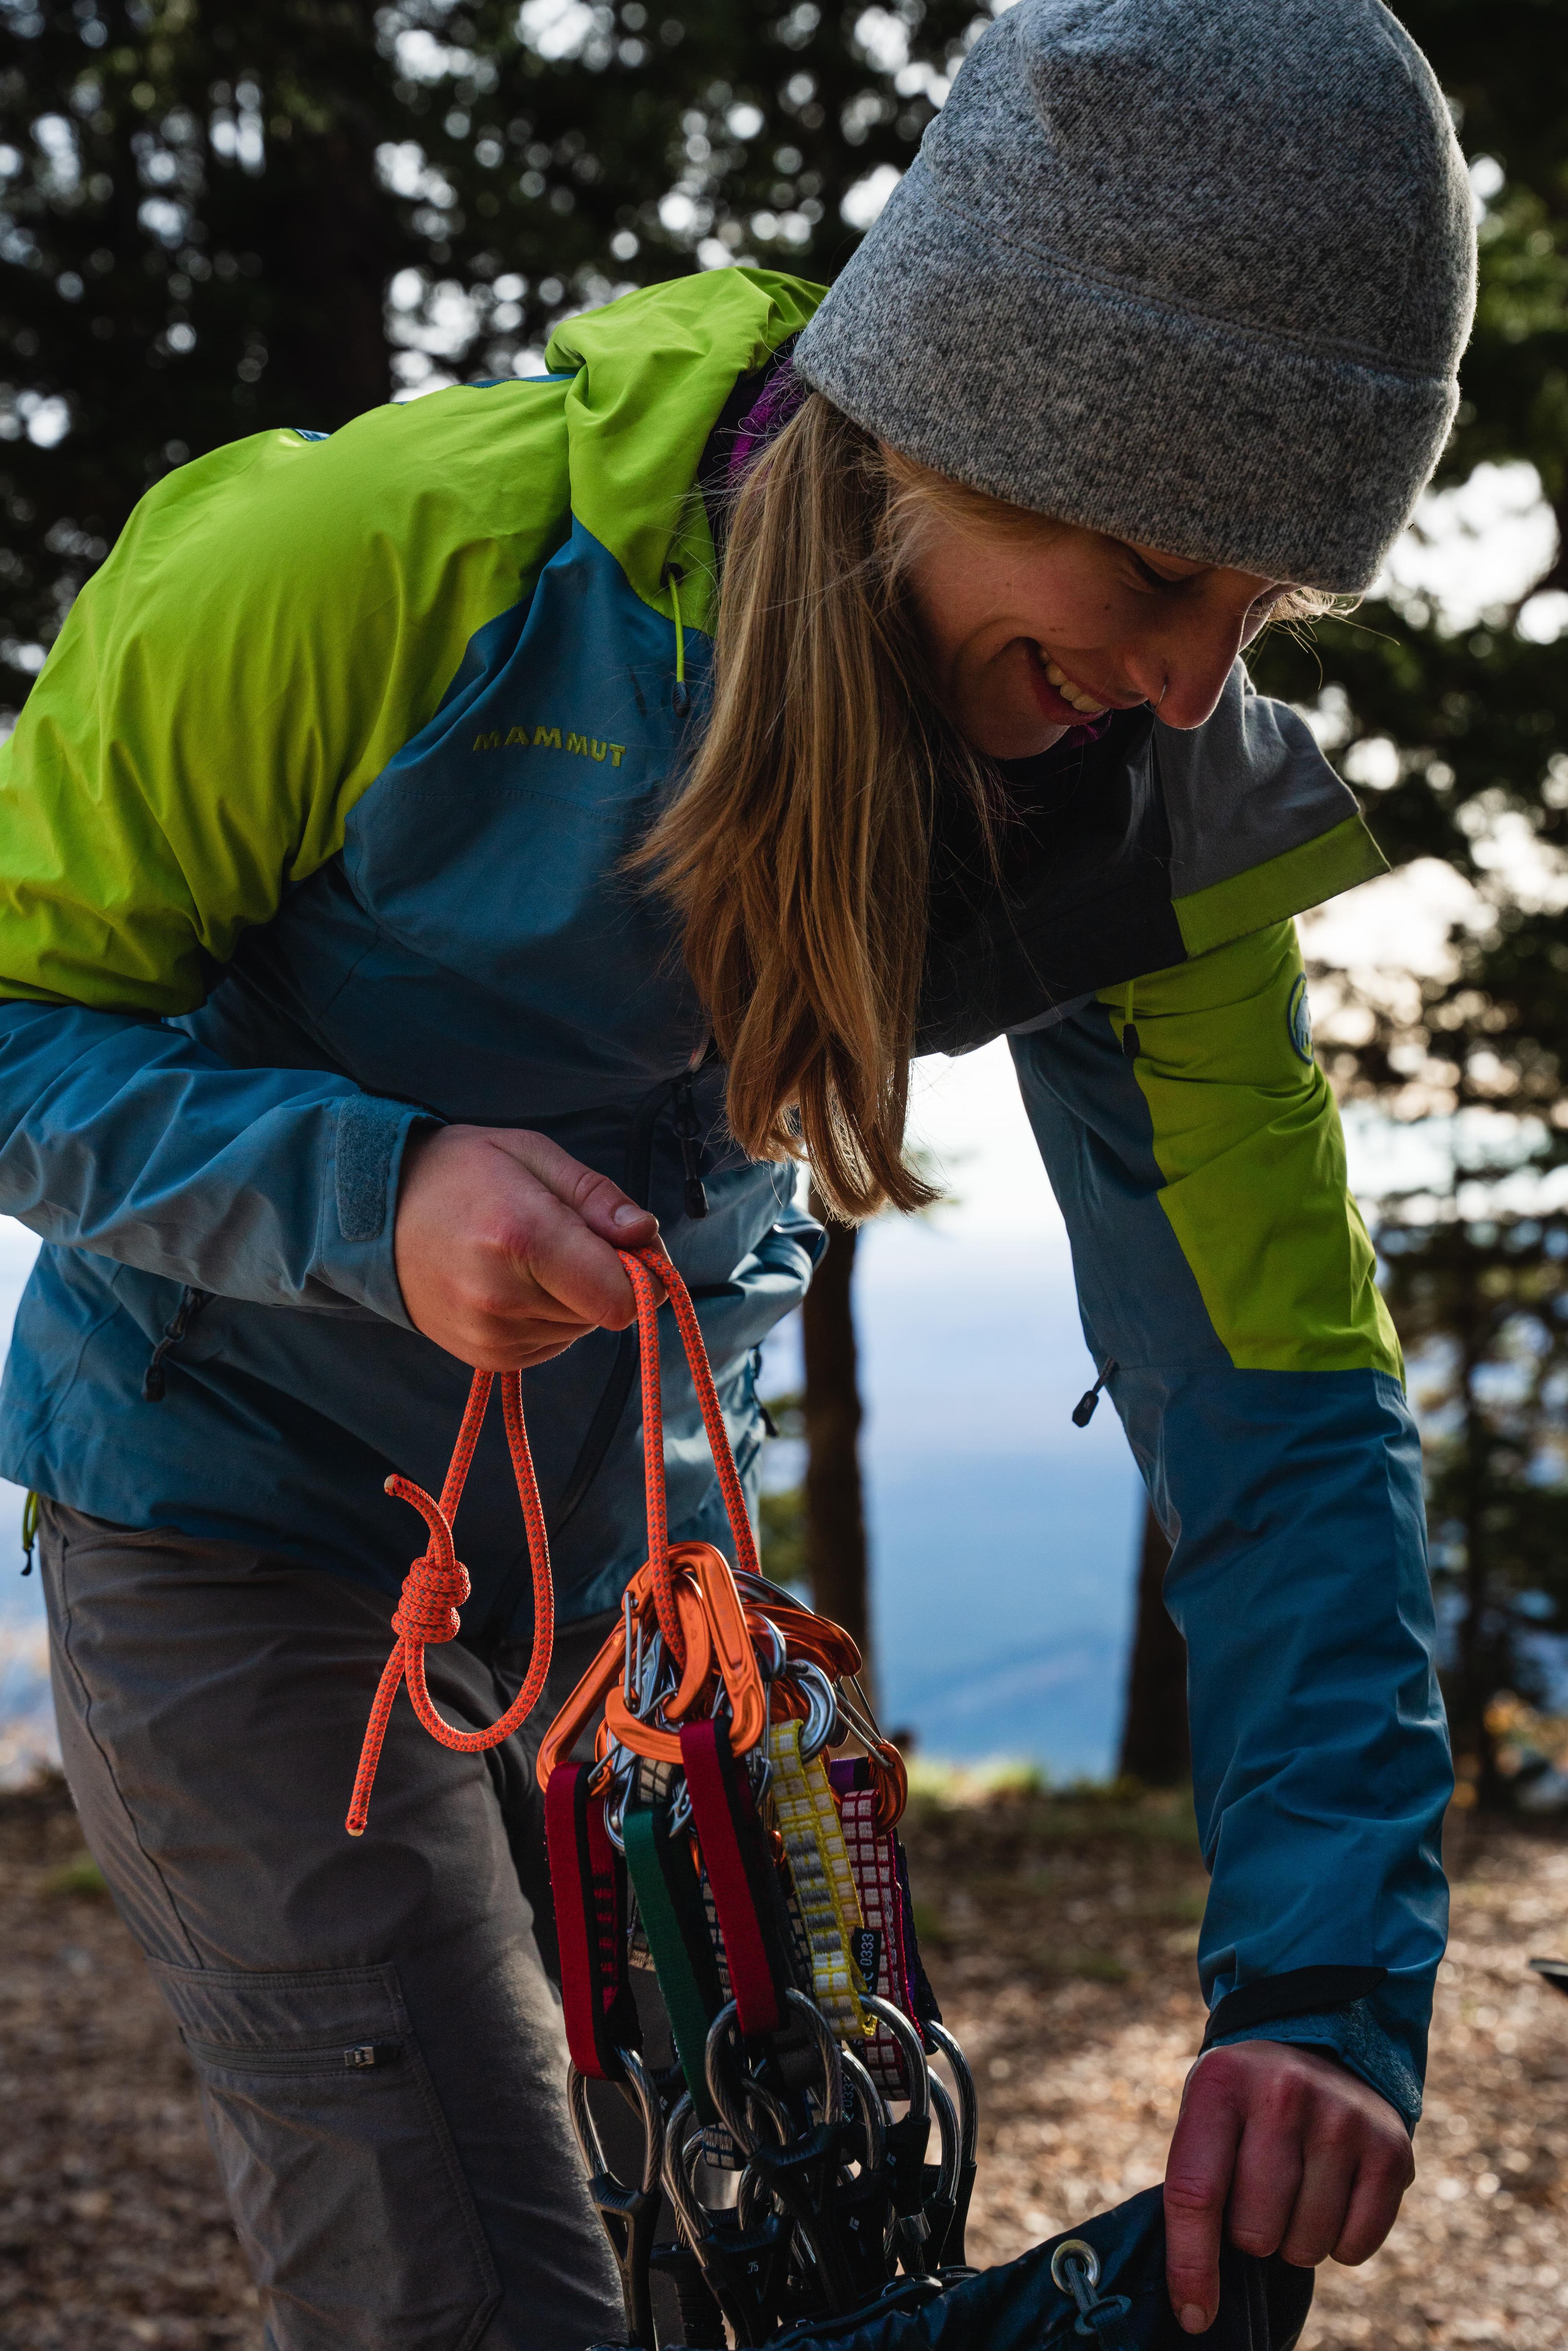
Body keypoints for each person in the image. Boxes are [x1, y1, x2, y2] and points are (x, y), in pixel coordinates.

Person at [0, 0, 1473, 2342]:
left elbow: (1274, 1390)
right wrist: (371, 1193)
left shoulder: (1146, 810)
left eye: (1267, 609)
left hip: (647, 1608)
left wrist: (1323, 1993)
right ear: (957, 428)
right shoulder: (374, 570)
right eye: (1156, 566)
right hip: (231, 1525)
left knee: (755, 2260)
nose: (1199, 685)